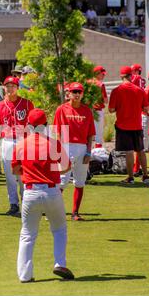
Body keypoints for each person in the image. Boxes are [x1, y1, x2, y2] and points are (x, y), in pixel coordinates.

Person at [12, 108, 74, 283]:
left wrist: (30, 171)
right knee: (59, 229)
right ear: (46, 125)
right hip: (52, 191)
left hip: (30, 192)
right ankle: (59, 263)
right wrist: (51, 170)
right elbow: (67, 167)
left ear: (29, 125)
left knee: (27, 234)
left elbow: (16, 169)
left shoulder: (21, 144)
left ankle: (25, 275)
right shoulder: (53, 144)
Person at [54, 82, 95, 221]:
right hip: (66, 146)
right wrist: (60, 151)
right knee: (61, 181)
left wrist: (89, 152)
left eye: (79, 92)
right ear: (69, 94)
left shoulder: (87, 111)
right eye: (74, 91)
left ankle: (75, 213)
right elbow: (58, 132)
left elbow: (90, 134)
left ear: (82, 94)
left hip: (82, 148)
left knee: (80, 182)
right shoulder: (61, 109)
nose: (77, 94)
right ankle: (53, 212)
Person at [0, 76, 34, 217]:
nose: (10, 88)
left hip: (23, 142)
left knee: (24, 175)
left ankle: (26, 203)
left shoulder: (27, 104)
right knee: (10, 176)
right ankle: (13, 204)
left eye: (13, 86)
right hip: (7, 142)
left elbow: (32, 126)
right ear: (4, 87)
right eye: (8, 86)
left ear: (18, 88)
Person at [108, 66, 149, 184]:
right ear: (131, 76)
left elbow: (111, 109)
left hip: (123, 126)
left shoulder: (116, 90)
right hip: (137, 125)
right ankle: (146, 176)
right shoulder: (140, 90)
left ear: (121, 76)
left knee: (129, 152)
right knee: (141, 150)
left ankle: (131, 177)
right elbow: (146, 108)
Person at [88, 66, 108, 147]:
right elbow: (106, 100)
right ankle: (98, 153)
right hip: (97, 110)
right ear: (97, 74)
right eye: (102, 74)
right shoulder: (100, 84)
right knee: (98, 134)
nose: (104, 76)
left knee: (88, 133)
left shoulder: (87, 82)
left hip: (87, 110)